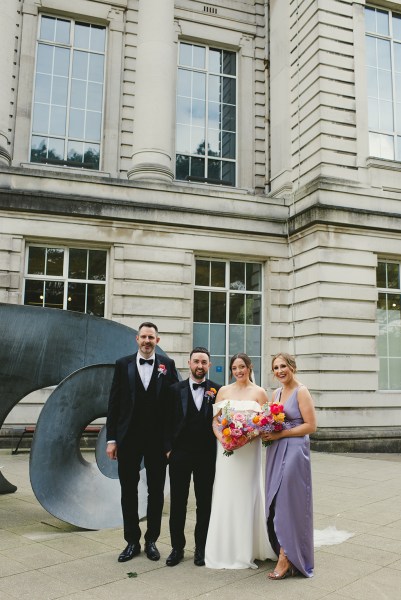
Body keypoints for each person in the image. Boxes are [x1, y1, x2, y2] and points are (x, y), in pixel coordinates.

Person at [106, 322, 179, 563]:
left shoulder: (167, 366)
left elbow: (173, 407)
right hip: (128, 439)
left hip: (157, 441)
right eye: (144, 337)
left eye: (152, 337)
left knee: (156, 491)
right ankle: (131, 541)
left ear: (157, 340)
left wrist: (170, 443)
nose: (147, 341)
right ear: (137, 339)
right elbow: (114, 404)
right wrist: (112, 439)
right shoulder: (122, 364)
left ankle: (151, 540)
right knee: (128, 490)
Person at [205, 353, 276, 569]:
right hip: (227, 452)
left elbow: (266, 423)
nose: (238, 371)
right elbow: (216, 421)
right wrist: (224, 440)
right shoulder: (224, 391)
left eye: (242, 367)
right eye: (235, 368)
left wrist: (246, 437)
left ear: (249, 367)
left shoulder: (260, 392)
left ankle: (249, 548)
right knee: (225, 494)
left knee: (247, 494)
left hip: (249, 452)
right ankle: (223, 548)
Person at [164, 347, 221, 567]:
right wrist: (169, 450)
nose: (200, 366)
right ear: (189, 363)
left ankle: (201, 548)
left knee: (204, 504)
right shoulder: (173, 390)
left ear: (208, 365)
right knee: (177, 503)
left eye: (204, 362)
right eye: (196, 361)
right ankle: (177, 548)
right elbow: (165, 422)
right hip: (180, 454)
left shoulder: (218, 390)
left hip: (206, 456)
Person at [263, 353, 317, 579]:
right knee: (274, 501)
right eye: (276, 367)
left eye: (283, 366)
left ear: (292, 367)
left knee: (287, 501)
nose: (280, 370)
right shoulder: (275, 393)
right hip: (276, 449)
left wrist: (282, 433)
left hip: (295, 450)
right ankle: (283, 548)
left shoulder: (301, 391)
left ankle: (286, 558)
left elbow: (311, 426)